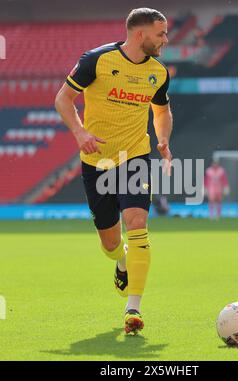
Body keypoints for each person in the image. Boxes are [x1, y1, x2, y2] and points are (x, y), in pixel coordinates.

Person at [55, 8, 173, 334]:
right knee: (110, 244)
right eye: (161, 33)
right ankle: (121, 260)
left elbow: (162, 110)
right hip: (98, 162)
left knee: (137, 222)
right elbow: (63, 99)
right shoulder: (97, 60)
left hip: (135, 156)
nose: (165, 39)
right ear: (140, 34)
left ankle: (132, 307)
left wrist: (162, 139)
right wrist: (80, 133)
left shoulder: (159, 73)